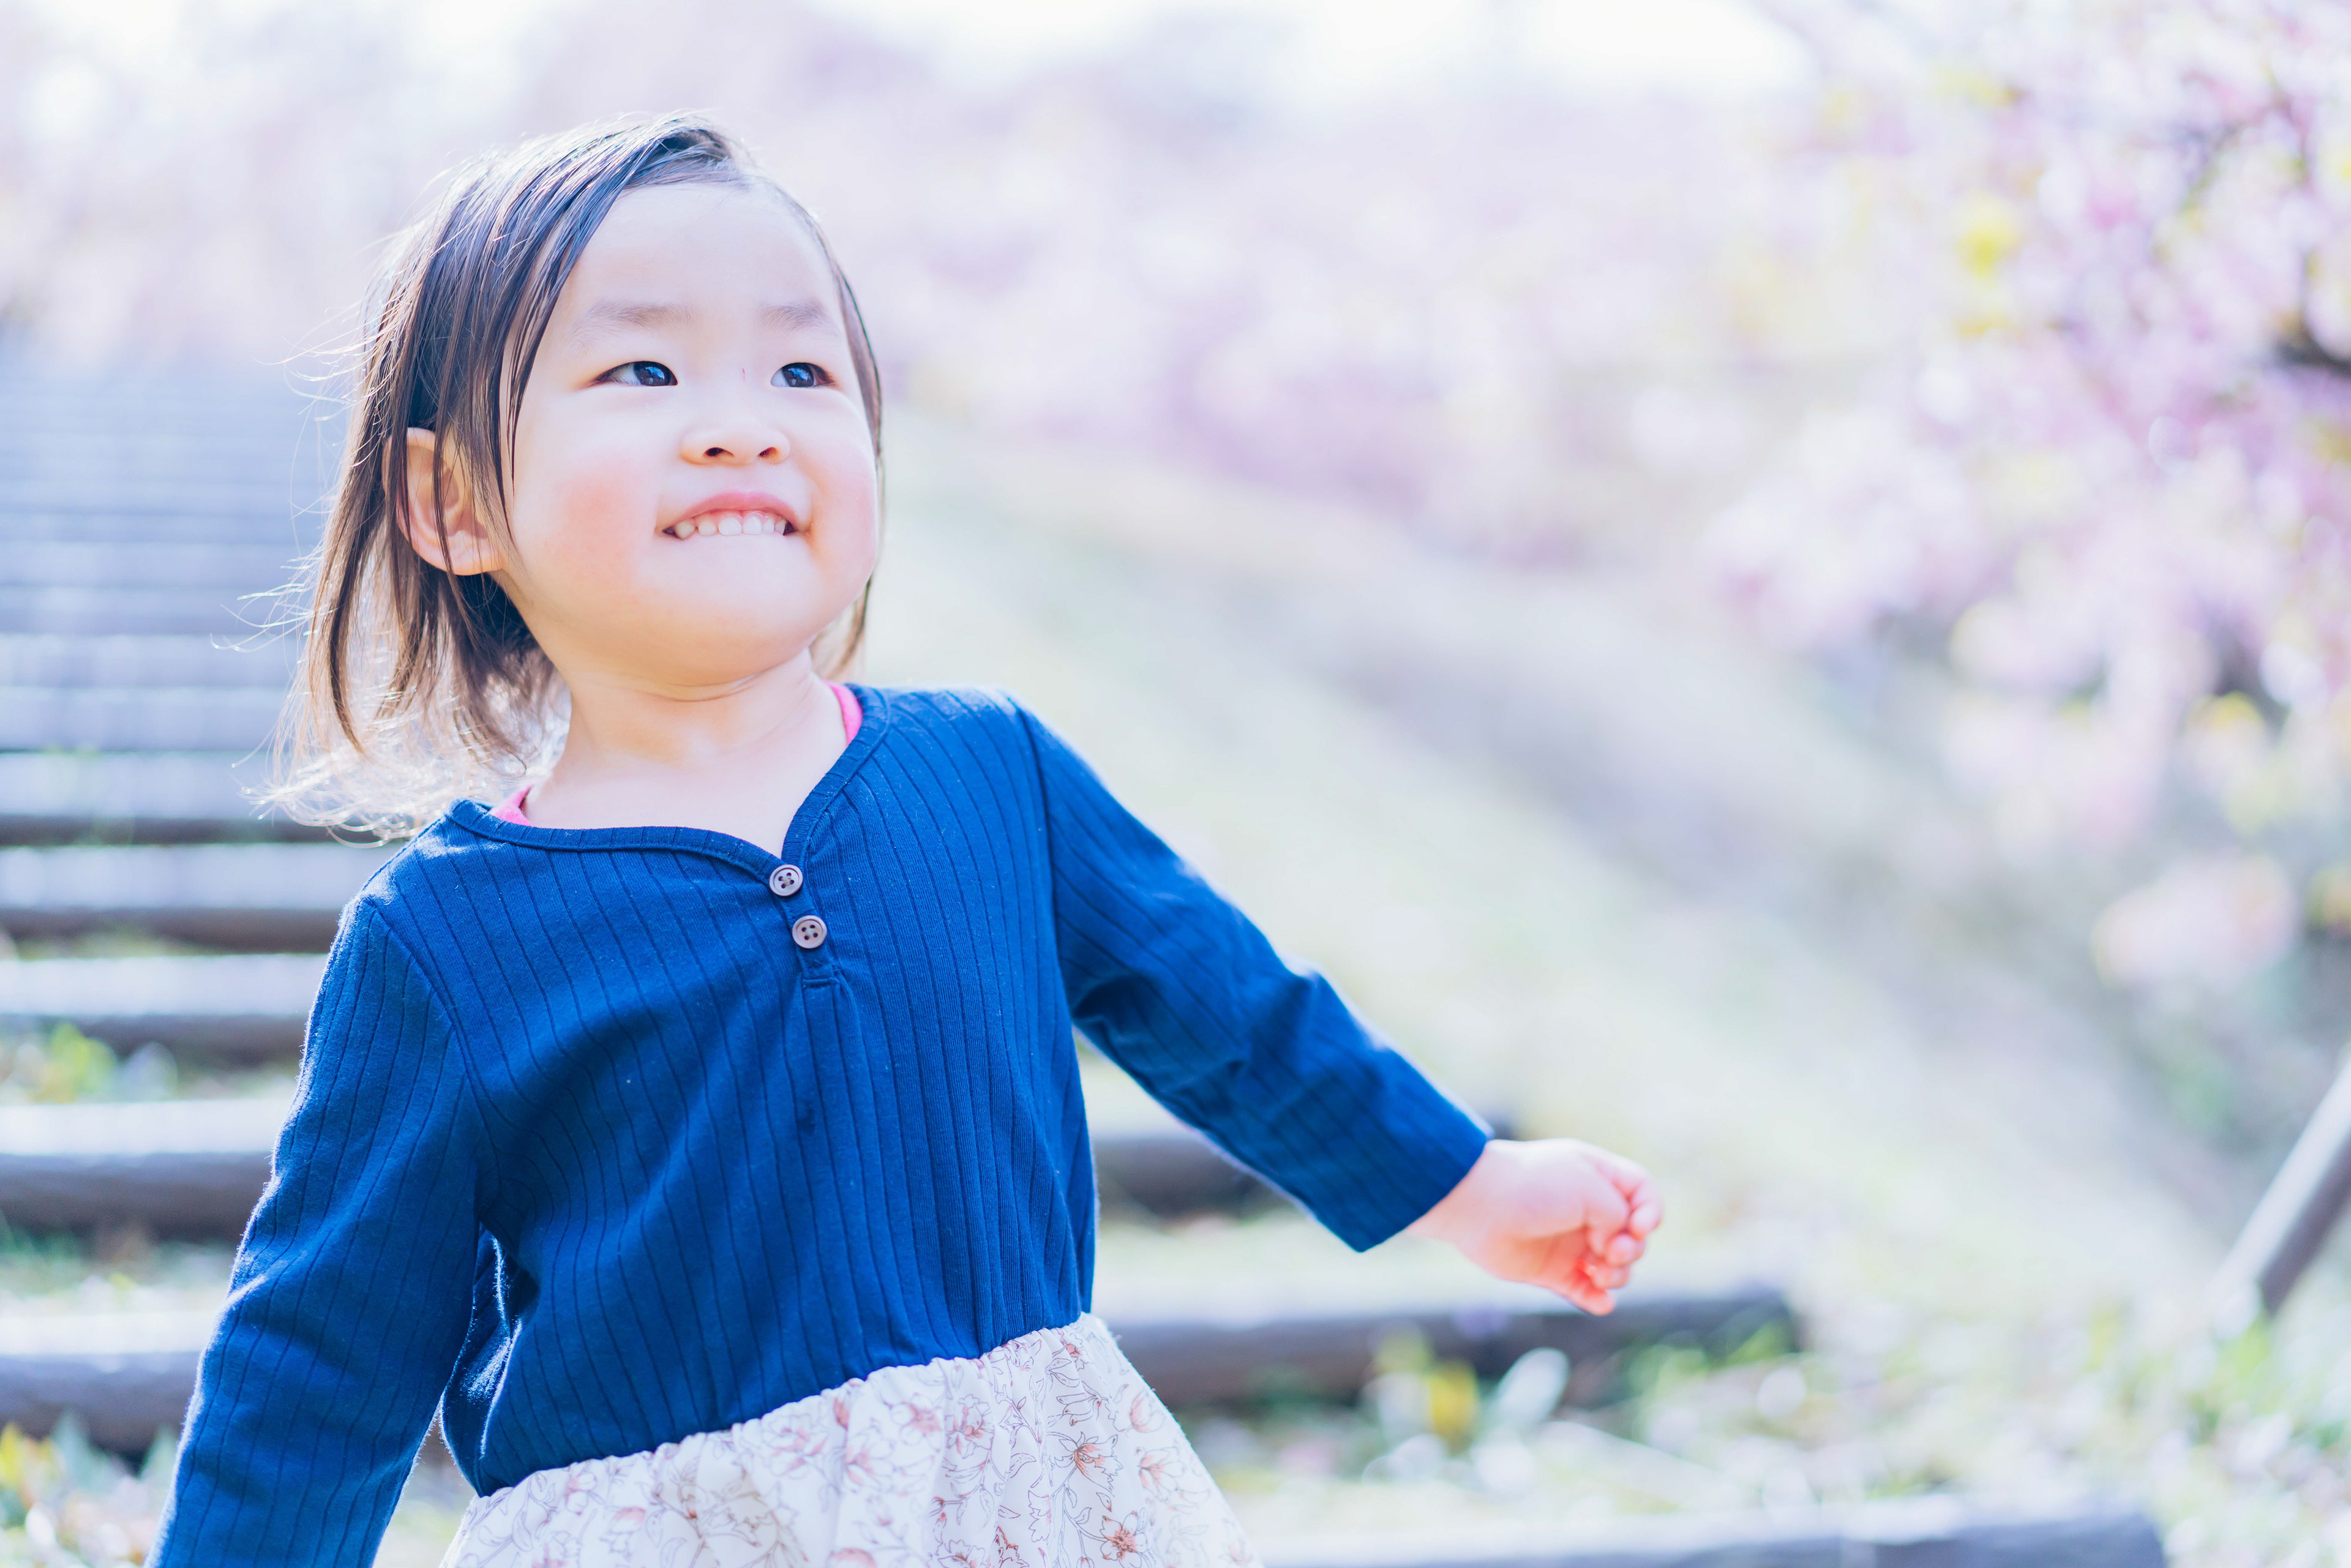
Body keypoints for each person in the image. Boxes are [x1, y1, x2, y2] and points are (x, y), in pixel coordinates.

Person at [152, 113, 1662, 1567]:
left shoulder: (988, 776)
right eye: (645, 368)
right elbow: (319, 1360)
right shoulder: (446, 943)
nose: (741, 423)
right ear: (451, 503)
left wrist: (1472, 1187)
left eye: (801, 369)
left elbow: (1239, 1019)